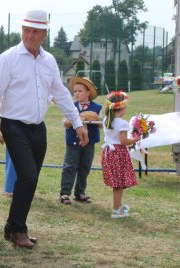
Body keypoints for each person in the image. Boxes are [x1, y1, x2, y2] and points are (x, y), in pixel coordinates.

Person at [0, 10, 89, 249]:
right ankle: (19, 230)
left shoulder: (48, 60)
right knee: (28, 177)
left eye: (35, 31)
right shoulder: (8, 58)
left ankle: (11, 227)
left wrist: (79, 123)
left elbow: (60, 94)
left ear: (44, 33)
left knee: (31, 179)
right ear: (22, 30)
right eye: (26, 30)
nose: (30, 35)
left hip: (38, 128)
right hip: (12, 124)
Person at [59, 76, 102, 205]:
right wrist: (72, 121)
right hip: (73, 140)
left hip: (90, 142)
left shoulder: (97, 108)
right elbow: (65, 122)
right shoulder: (71, 107)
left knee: (85, 167)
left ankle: (80, 193)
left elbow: (101, 124)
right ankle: (65, 193)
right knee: (70, 166)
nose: (76, 93)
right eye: (75, 91)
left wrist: (95, 120)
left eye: (80, 91)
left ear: (88, 93)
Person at [101, 90, 138, 218]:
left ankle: (118, 205)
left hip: (109, 153)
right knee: (119, 183)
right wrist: (135, 139)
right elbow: (123, 141)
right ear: (121, 108)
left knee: (117, 182)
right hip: (118, 153)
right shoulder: (122, 123)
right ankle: (116, 210)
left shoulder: (107, 119)